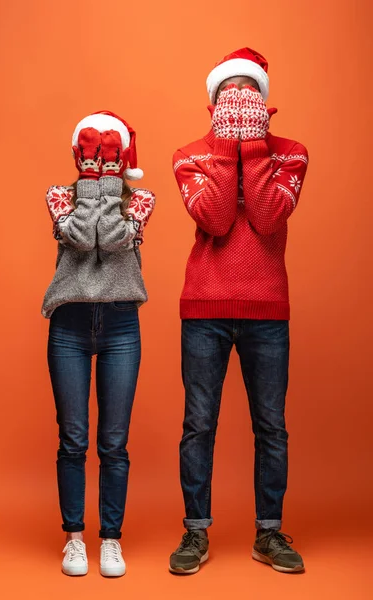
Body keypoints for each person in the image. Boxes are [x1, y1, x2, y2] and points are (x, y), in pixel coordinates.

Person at [169, 48, 309, 574]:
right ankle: (195, 533)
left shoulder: (291, 154)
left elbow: (269, 218)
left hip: (267, 308)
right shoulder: (189, 156)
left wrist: (254, 149)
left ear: (262, 102)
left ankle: (268, 533)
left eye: (248, 91)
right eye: (229, 94)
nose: (238, 100)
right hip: (204, 306)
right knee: (199, 424)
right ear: (214, 105)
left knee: (271, 425)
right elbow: (219, 218)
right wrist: (229, 149)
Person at [42, 111, 155, 577]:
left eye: (107, 156)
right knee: (73, 440)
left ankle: (110, 539)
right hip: (68, 324)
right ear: (81, 156)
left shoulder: (142, 200)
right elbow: (77, 238)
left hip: (121, 326)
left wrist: (108, 191)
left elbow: (109, 242)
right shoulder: (58, 196)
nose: (100, 160)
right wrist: (90, 187)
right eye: (93, 156)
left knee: (114, 442)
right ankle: (74, 539)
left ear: (119, 158)